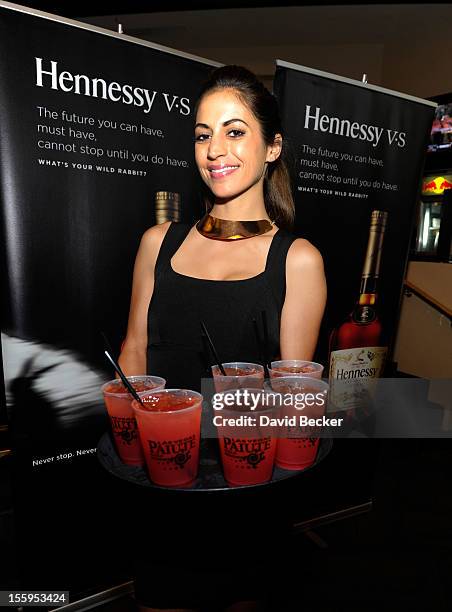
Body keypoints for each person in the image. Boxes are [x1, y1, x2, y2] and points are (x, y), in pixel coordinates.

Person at [118, 65, 327, 612]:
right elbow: (133, 356)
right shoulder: (156, 243)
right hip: (160, 485)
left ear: (273, 147)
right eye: (203, 134)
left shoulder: (297, 261)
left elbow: (292, 402)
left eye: (235, 132)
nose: (215, 149)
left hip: (245, 498)